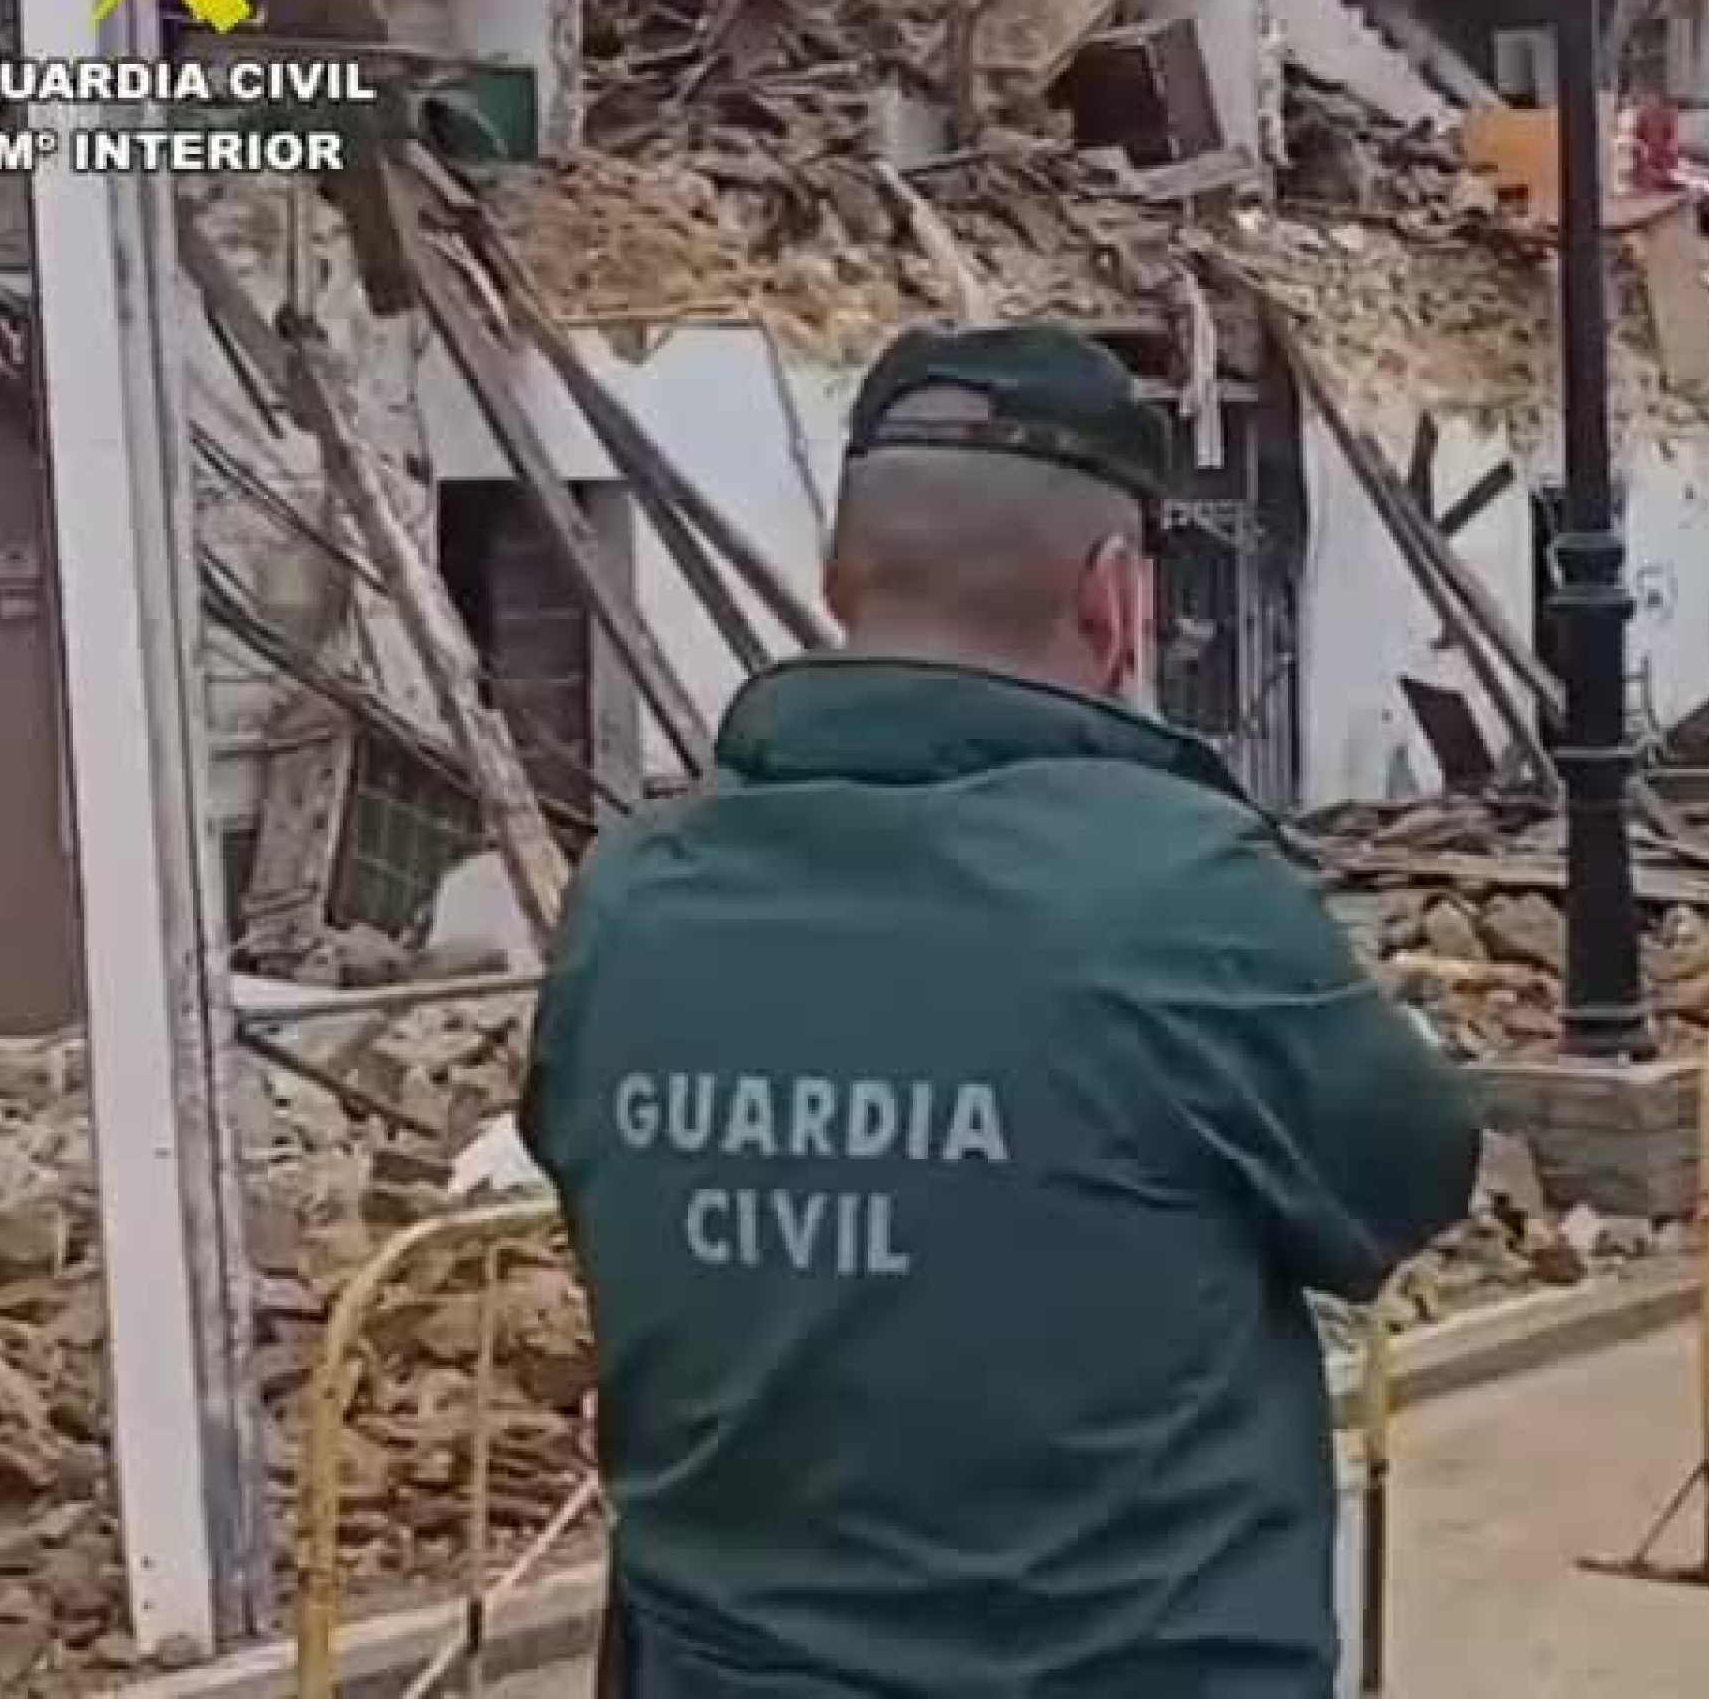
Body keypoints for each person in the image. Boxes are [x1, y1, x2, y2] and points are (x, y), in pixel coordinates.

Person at [523, 322, 1482, 1698]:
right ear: (1117, 599)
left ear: (840, 576)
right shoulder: (1182, 897)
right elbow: (1409, 1178)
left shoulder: (628, 900)